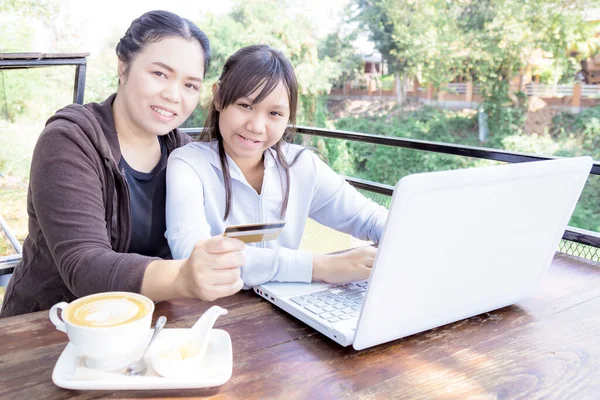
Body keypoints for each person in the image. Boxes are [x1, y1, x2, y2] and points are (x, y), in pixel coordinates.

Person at [0, 10, 245, 318]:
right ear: (123, 65)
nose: (173, 95)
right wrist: (183, 276)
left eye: (190, 85)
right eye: (159, 74)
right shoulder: (69, 140)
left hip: (147, 324)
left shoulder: (186, 153)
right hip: (49, 327)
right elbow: (84, 266)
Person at [165, 45, 388, 288]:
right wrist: (320, 267)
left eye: (274, 113)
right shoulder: (188, 164)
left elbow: (368, 219)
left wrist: (407, 238)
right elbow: (192, 255)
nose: (256, 126)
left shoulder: (300, 165)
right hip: (215, 311)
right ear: (218, 98)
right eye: (245, 105)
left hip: (286, 310)